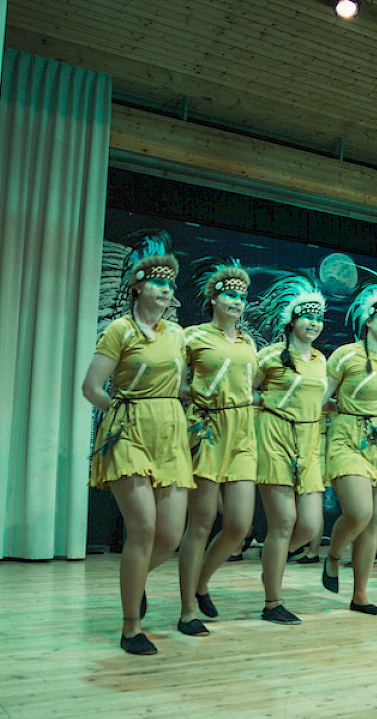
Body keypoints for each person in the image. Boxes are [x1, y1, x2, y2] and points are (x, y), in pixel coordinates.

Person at [82, 232, 194, 655]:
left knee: (169, 536)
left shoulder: (177, 335)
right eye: (158, 282)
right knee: (143, 528)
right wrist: (118, 410)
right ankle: (131, 625)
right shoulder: (120, 329)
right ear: (139, 285)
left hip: (171, 431)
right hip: (129, 430)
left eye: (170, 284)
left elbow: (178, 388)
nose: (166, 290)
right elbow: (91, 387)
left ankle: (136, 580)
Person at [176, 259, 260, 633]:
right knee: (201, 523)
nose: (237, 301)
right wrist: (199, 399)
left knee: (239, 525)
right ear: (213, 298)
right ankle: (186, 610)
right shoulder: (192, 336)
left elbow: (249, 386)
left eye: (242, 296)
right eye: (230, 294)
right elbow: (177, 384)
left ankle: (202, 583)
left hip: (242, 432)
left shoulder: (248, 342)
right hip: (206, 429)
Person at [321, 283, 377, 615]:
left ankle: (360, 595)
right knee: (359, 513)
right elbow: (321, 399)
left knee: (372, 523)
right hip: (348, 438)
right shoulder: (345, 355)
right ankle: (333, 556)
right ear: (368, 320)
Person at [249, 276, 329, 624]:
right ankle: (273, 602)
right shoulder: (269, 356)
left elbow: (320, 400)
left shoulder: (322, 360)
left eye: (319, 318)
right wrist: (265, 405)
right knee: (283, 521)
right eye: (307, 316)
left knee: (309, 527)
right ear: (292, 321)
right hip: (275, 436)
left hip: (310, 442)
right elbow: (246, 392)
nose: (314, 323)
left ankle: (272, 559)